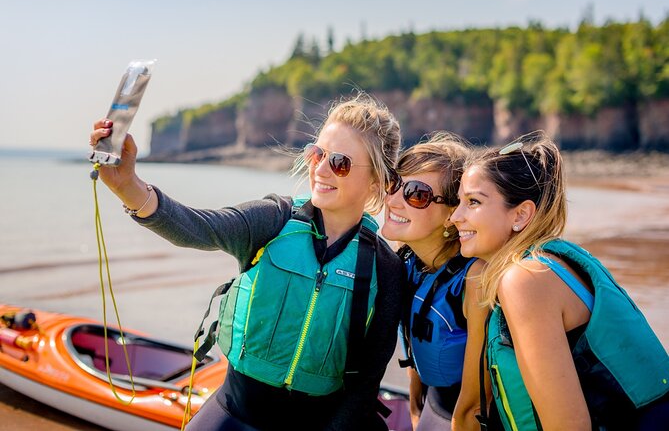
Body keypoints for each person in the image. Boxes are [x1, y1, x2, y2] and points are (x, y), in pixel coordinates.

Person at [88, 93, 406, 431]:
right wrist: (128, 187)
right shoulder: (274, 220)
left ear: (377, 180)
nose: (321, 169)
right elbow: (198, 227)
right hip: (234, 412)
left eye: (340, 162)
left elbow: (366, 382)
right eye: (317, 154)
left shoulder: (385, 269)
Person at [450, 132, 669, 431]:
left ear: (521, 214)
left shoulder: (526, 279)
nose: (455, 217)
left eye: (473, 202)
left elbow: (569, 426)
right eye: (458, 201)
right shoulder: (552, 261)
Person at [381, 133, 493, 431]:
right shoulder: (407, 263)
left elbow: (475, 401)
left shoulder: (474, 279)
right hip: (433, 407)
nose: (392, 200)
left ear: (452, 214)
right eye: (393, 184)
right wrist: (416, 406)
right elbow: (415, 334)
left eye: (416, 194)